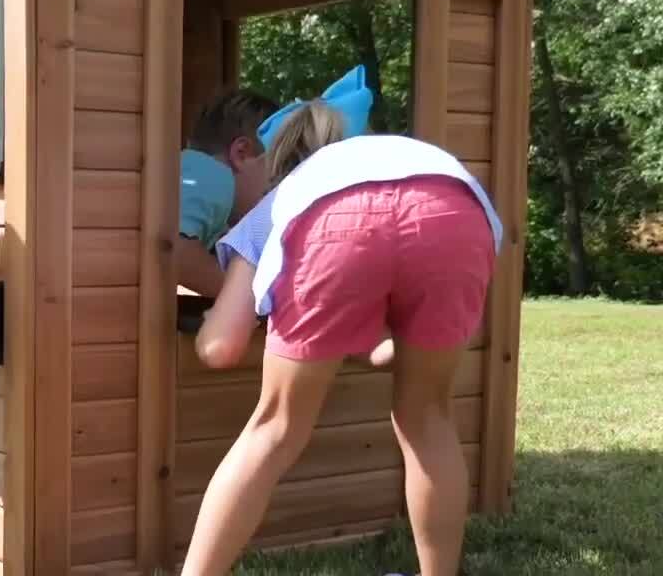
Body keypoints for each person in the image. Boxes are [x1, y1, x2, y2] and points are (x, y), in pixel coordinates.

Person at [179, 101, 502, 576]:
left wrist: (216, 321)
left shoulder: (288, 194)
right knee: (428, 419)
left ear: (279, 164)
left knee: (274, 428)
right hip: (457, 211)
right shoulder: (409, 158)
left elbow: (220, 347)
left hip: (335, 225)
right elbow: (400, 340)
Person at [177, 87, 280, 297]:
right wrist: (244, 301)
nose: (274, 192)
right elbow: (176, 252)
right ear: (241, 153)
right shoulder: (213, 176)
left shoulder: (197, 174)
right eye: (275, 178)